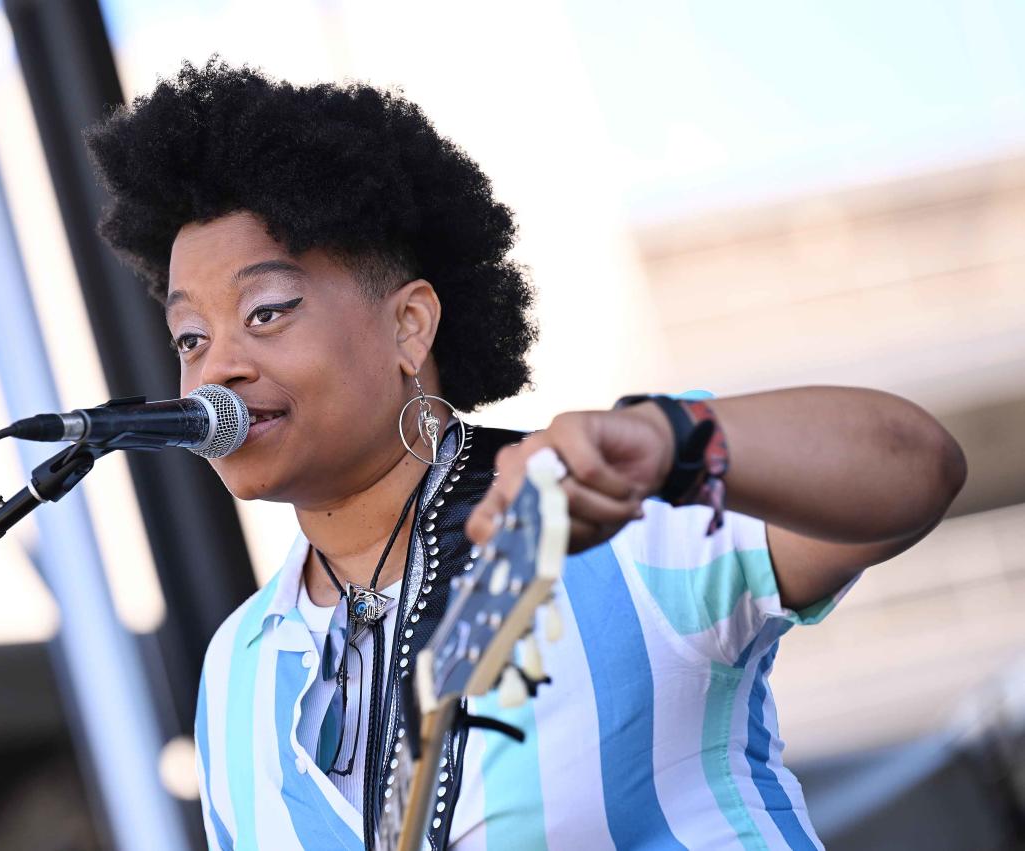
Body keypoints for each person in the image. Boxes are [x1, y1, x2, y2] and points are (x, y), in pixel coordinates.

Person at [86, 58, 966, 851]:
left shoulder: (606, 508)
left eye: (267, 310)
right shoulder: (235, 669)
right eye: (190, 336)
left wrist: (671, 442)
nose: (219, 366)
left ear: (410, 323)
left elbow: (916, 464)